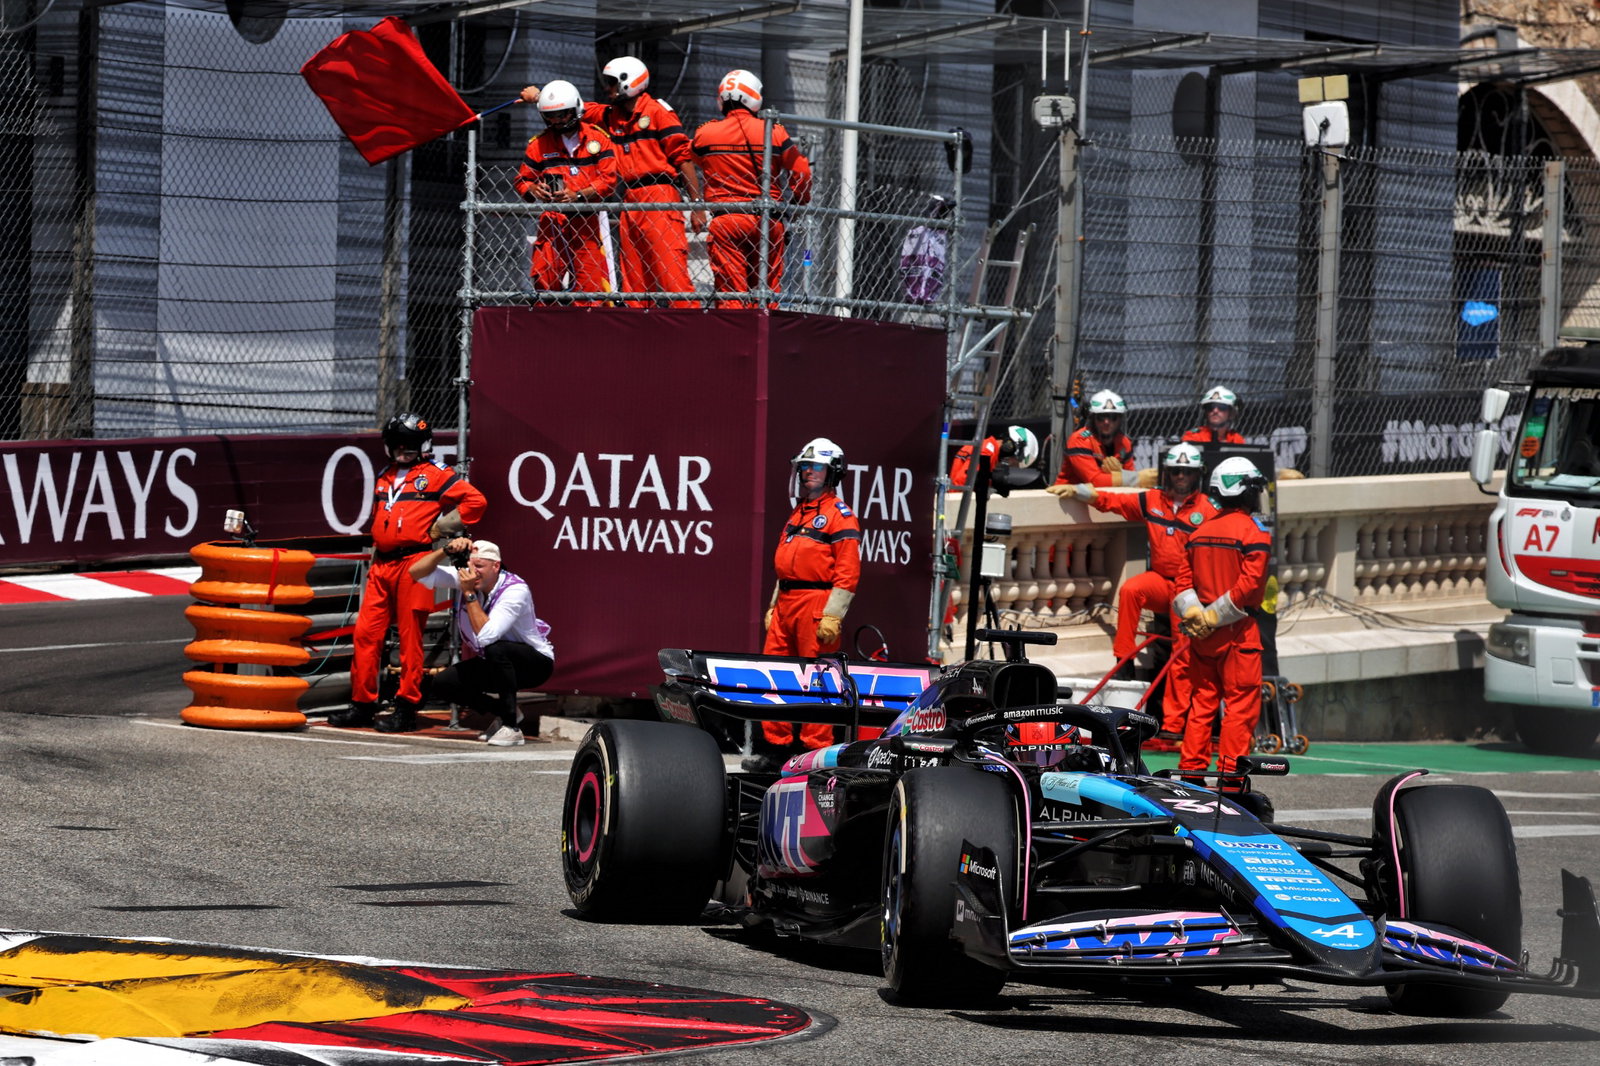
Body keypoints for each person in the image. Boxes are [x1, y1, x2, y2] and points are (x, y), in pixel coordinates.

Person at [332, 413, 488, 730]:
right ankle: (362, 704)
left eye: (412, 445)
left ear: (422, 445)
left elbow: (476, 501)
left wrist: (444, 526)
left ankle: (405, 708)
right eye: (399, 444)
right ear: (390, 446)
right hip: (381, 564)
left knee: (410, 638)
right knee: (365, 635)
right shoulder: (383, 476)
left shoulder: (434, 474)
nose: (405, 449)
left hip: (413, 565)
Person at [1055, 443, 1216, 736]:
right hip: (1160, 581)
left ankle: (1173, 725)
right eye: (1175, 471)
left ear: (1197, 475)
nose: (1180, 476)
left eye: (1187, 472)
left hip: (1189, 591)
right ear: (1167, 473)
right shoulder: (1153, 499)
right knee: (1131, 590)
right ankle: (1124, 660)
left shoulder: (1208, 510)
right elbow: (1115, 502)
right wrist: (1083, 493)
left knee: (1181, 655)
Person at [519, 59, 702, 306]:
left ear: (630, 81)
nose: (608, 89)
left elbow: (682, 155)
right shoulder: (610, 116)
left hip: (660, 194)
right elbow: (571, 107)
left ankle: (691, 331)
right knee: (634, 281)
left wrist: (697, 204)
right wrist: (540, 96)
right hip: (629, 199)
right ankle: (638, 335)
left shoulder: (658, 112)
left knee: (671, 274)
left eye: (612, 83)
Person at [746, 437, 861, 771]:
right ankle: (776, 749)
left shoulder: (841, 517)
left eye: (816, 467)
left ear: (833, 472)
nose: (808, 472)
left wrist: (833, 615)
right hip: (786, 603)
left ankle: (816, 755)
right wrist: (773, 604)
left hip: (816, 605)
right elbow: (784, 565)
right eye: (805, 466)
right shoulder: (799, 513)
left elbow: (848, 572)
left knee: (819, 679)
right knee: (774, 675)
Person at [1173, 455, 1273, 787]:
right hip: (1239, 634)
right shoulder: (1253, 532)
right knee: (1239, 710)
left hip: (1202, 636)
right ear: (1244, 491)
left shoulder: (1199, 532)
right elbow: (1248, 588)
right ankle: (1230, 783)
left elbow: (1182, 584)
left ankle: (1190, 777)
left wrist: (1196, 615)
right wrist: (1215, 617)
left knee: (1201, 705)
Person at [408, 537, 555, 745]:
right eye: (470, 564)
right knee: (444, 683)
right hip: (497, 661)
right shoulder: (465, 578)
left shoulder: (515, 590)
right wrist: (445, 551)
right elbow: (416, 572)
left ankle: (511, 727)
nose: (473, 571)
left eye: (480, 566)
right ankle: (504, 712)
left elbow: (487, 636)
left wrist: (468, 593)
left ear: (495, 566)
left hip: (534, 664)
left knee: (496, 648)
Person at [691, 69, 813, 308]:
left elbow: (689, 159)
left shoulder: (705, 133)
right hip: (768, 220)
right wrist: (799, 202)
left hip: (726, 219)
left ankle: (734, 339)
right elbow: (802, 171)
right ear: (754, 97)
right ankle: (763, 335)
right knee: (765, 291)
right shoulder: (774, 132)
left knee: (730, 292)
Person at [513, 80, 620, 305]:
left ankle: (589, 332)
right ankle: (547, 331)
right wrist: (534, 189)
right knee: (545, 280)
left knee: (590, 288)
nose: (556, 121)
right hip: (552, 220)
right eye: (550, 116)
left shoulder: (598, 139)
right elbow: (523, 180)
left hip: (587, 219)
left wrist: (578, 195)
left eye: (562, 114)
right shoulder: (538, 145)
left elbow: (609, 180)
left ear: (575, 109)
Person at [1183, 384, 1305, 478]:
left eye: (1222, 407)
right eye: (1210, 407)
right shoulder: (1192, 437)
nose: (1215, 411)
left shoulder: (1236, 439)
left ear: (1231, 413)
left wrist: (1277, 472)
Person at [1052, 390, 1146, 488]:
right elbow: (1094, 481)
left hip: (1106, 499)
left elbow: (1132, 482)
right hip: (1070, 499)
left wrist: (1123, 475)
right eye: (1101, 417)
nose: (1106, 422)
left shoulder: (1124, 442)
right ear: (1093, 418)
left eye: (1113, 417)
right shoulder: (1080, 440)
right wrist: (1126, 477)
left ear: (1120, 419)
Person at [948, 425, 1040, 491]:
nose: (1010, 464)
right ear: (1009, 447)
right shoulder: (986, 452)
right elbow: (962, 482)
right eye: (1014, 461)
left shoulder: (988, 449)